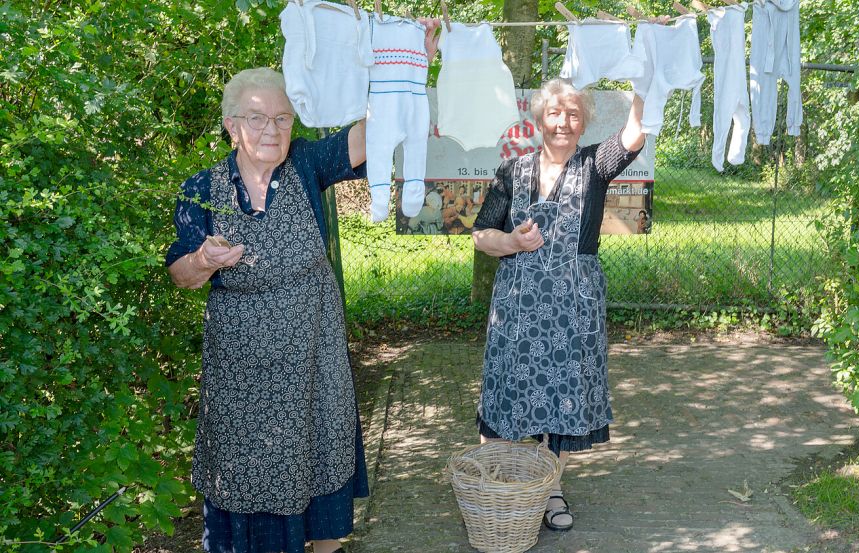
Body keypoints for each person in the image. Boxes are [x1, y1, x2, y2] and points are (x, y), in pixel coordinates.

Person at [165, 19, 439, 551]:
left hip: (315, 353)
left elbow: (375, 129)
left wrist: (410, 66)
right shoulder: (202, 188)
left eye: (283, 118)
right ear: (230, 125)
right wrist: (203, 258)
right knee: (245, 463)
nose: (272, 129)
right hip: (241, 369)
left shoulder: (308, 163)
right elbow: (180, 273)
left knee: (319, 453)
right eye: (257, 117)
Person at [471, 78, 647, 532]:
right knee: (509, 392)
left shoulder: (593, 165)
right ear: (539, 119)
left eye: (573, 114)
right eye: (555, 113)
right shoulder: (513, 170)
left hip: (574, 306)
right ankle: (505, 486)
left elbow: (633, 135)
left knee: (562, 399)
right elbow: (481, 233)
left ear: (583, 121)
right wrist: (511, 240)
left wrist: (649, 74)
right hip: (517, 307)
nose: (563, 123)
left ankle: (549, 489)